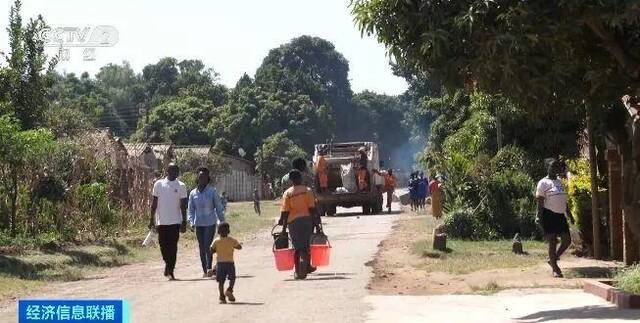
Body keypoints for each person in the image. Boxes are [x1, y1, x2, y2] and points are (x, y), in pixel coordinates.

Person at [279, 169, 321, 279]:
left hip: (293, 222)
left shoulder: (287, 193)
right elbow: (312, 209)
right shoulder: (307, 191)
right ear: (301, 178)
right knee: (306, 245)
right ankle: (307, 266)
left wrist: (283, 229)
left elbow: (285, 212)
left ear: (291, 180)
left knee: (297, 247)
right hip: (307, 221)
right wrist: (317, 224)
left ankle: (298, 271)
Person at [149, 163, 188, 281]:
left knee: (173, 247)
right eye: (171, 170)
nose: (174, 173)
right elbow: (154, 203)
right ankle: (167, 264)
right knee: (163, 246)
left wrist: (184, 222)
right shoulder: (158, 184)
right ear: (167, 171)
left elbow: (183, 206)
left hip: (175, 222)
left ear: (178, 172)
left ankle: (170, 270)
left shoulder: (181, 186)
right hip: (161, 221)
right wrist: (151, 219)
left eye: (176, 171)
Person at [536, 159, 575, 278]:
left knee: (567, 240)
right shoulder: (543, 183)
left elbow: (564, 200)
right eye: (552, 167)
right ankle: (555, 268)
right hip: (549, 215)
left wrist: (570, 215)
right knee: (552, 242)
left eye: (556, 167)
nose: (554, 169)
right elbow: (540, 202)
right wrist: (539, 217)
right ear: (547, 168)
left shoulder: (559, 182)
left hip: (560, 215)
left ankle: (553, 258)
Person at [187, 167, 225, 278]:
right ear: (197, 178)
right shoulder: (193, 193)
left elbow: (218, 207)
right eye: (200, 177)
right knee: (201, 246)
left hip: (210, 223)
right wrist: (191, 222)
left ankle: (209, 268)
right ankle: (204, 269)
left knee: (207, 245)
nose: (202, 179)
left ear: (207, 178)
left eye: (204, 177)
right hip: (198, 223)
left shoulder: (212, 191)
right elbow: (191, 209)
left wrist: (222, 222)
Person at [211, 222, 242, 304]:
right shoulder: (232, 240)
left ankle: (222, 297)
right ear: (228, 231)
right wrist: (235, 246)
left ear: (218, 232)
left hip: (220, 264)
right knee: (232, 278)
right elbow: (239, 247)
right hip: (230, 263)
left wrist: (215, 250)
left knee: (221, 281)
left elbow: (211, 250)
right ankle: (229, 290)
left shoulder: (216, 241)